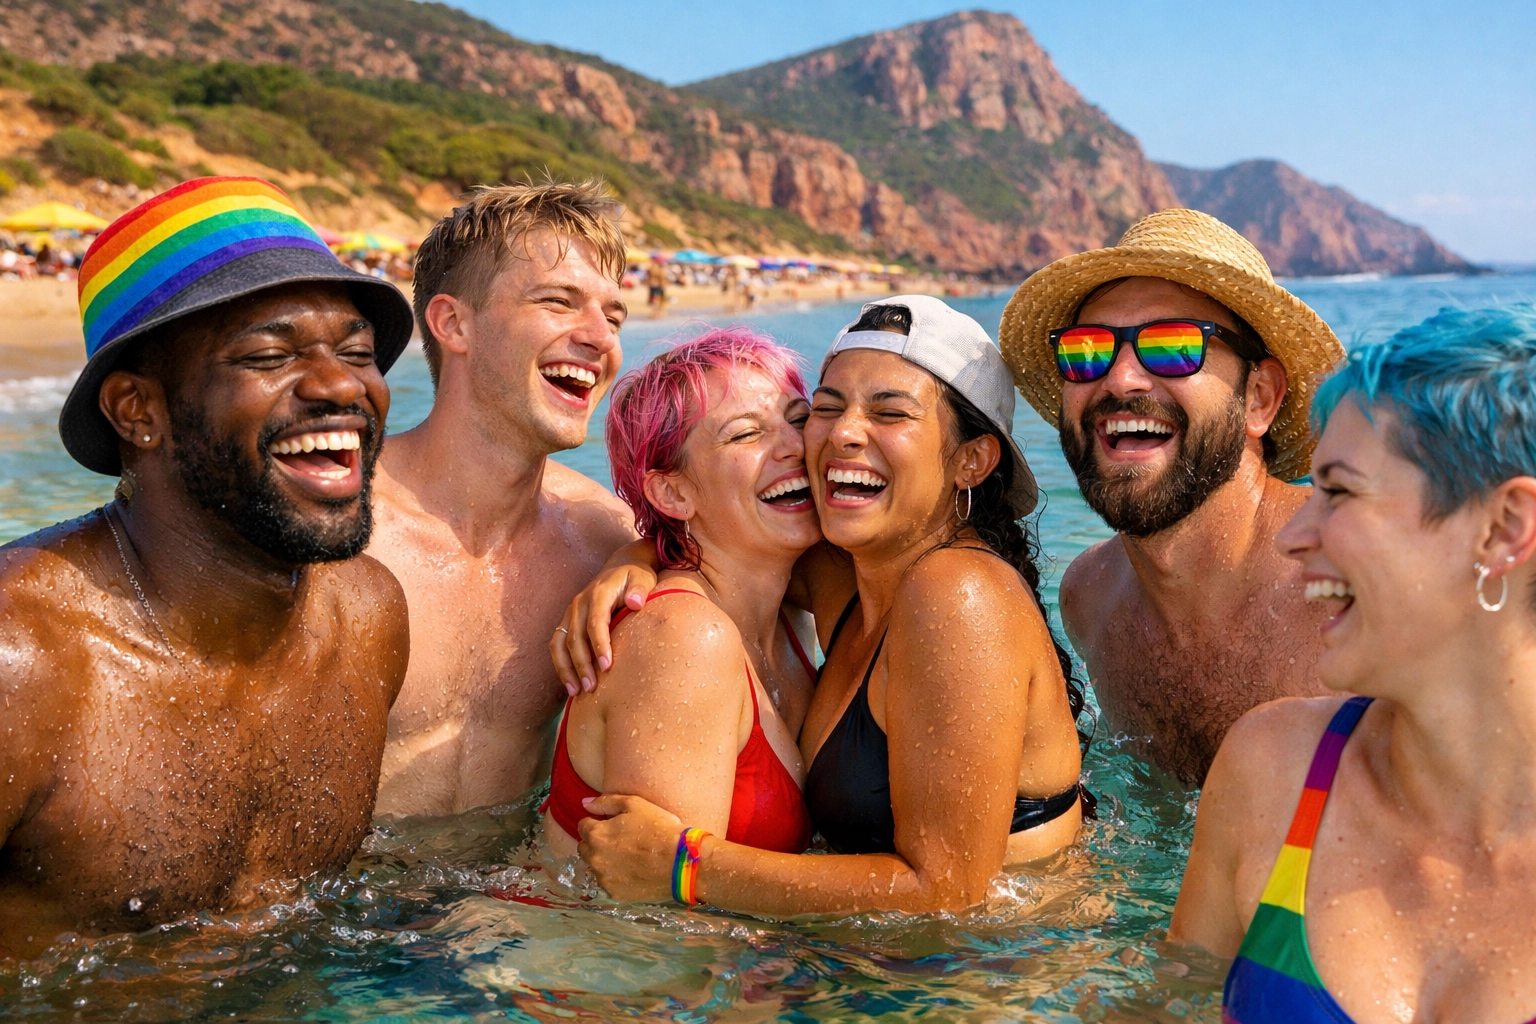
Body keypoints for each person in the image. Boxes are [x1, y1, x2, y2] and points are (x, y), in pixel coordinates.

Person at [568, 296, 1087, 914]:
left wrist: (686, 866)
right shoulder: (849, 572)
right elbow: (724, 543)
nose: (842, 432)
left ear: (971, 461)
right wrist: (629, 563)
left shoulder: (958, 594)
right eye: (827, 407)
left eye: (890, 412)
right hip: (888, 973)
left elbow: (948, 894)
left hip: (990, 978)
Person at [0, 177, 412, 957]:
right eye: (268, 354)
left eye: (357, 352)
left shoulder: (366, 617)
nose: (340, 385)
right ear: (138, 411)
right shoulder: (23, 664)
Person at [1170, 305, 1536, 1022]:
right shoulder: (1270, 767)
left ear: (1503, 529)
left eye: (1338, 490)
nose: (1295, 535)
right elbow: (1164, 1009)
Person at [999, 208, 1346, 786]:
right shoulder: (1092, 599)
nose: (1120, 379)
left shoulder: (1353, 580)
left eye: (1172, 347)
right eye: (1087, 351)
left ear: (1260, 398)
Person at [367, 181, 635, 818]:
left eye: (614, 316)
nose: (601, 339)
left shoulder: (604, 541)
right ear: (454, 323)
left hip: (508, 903)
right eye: (558, 302)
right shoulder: (340, 526)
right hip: (341, 902)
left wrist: (645, 557)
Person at [543, 329, 821, 861]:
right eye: (745, 435)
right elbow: (661, 930)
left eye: (800, 419)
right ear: (672, 492)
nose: (795, 446)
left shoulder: (796, 610)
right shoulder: (684, 640)